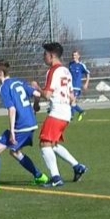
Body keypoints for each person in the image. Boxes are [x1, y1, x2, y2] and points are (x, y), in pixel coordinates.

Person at [0, 58, 49, 193]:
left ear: (0, 73)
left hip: (21, 126)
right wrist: (36, 105)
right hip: (31, 124)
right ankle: (39, 176)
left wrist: (12, 132)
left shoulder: (4, 87)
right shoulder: (18, 82)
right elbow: (37, 94)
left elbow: (12, 109)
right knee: (15, 152)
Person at [37, 42, 88, 187]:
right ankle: (77, 166)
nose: (44, 57)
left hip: (57, 112)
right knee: (52, 144)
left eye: (45, 54)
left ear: (52, 55)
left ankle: (56, 178)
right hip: (66, 112)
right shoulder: (66, 71)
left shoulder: (53, 71)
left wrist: (36, 88)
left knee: (44, 144)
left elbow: (47, 95)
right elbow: (72, 96)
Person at [68, 50, 90, 121]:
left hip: (77, 87)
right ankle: (77, 113)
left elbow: (87, 73)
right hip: (70, 86)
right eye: (73, 55)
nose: (74, 56)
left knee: (72, 101)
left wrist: (86, 83)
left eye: (75, 55)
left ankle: (75, 114)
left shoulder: (81, 65)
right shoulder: (70, 64)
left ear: (78, 56)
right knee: (71, 102)